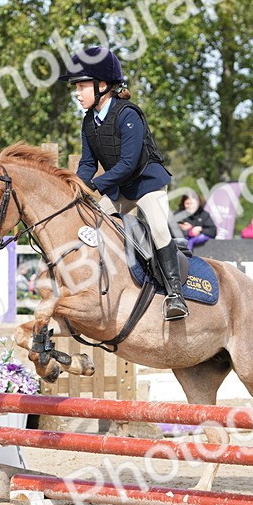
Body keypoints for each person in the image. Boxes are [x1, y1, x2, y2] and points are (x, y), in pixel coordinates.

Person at [59, 47, 187, 321]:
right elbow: (88, 164)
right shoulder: (88, 121)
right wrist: (76, 188)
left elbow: (129, 164)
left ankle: (176, 295)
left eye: (82, 86)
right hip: (120, 188)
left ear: (102, 85)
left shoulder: (129, 114)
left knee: (158, 229)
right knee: (93, 225)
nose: (77, 93)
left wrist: (94, 186)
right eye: (77, 88)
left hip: (146, 184)